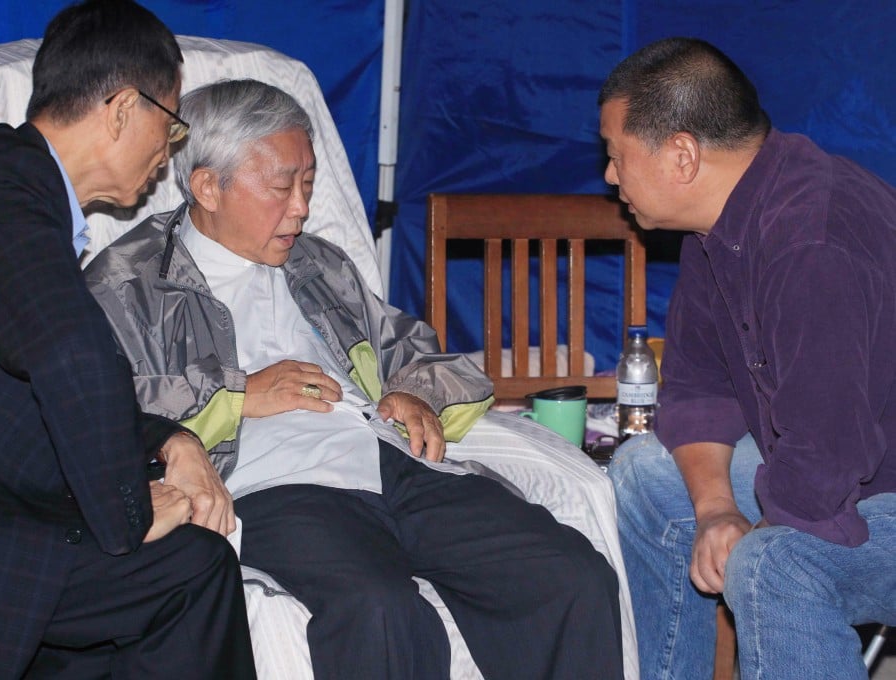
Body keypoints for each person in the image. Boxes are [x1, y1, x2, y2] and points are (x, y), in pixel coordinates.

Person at [85, 78, 624, 680]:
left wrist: (413, 394)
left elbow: (424, 355)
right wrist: (238, 394)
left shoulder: (319, 263)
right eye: (281, 185)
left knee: (570, 576)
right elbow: (102, 408)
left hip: (392, 463)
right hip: (277, 484)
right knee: (381, 610)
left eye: (308, 184)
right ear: (208, 186)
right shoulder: (126, 283)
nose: (301, 208)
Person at [0, 2, 257, 678]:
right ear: (119, 110)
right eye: (169, 127)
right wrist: (130, 511)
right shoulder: (9, 189)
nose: (167, 158)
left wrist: (172, 439)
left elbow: (37, 383)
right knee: (191, 570)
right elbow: (69, 357)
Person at [599, 37, 896, 679]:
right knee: (643, 476)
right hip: (849, 465)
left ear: (682, 154)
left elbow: (826, 458)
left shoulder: (813, 241)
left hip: (877, 483)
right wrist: (715, 511)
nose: (610, 176)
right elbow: (699, 388)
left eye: (616, 155)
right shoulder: (722, 226)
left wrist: (752, 534)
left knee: (771, 566)